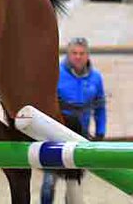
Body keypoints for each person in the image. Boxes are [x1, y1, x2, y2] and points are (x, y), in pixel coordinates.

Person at [40, 37, 106, 204]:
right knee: (49, 182)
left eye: (82, 53)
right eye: (74, 53)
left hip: (80, 136)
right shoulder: (55, 73)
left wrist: (100, 132)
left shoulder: (96, 78)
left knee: (73, 182)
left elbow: (100, 107)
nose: (78, 57)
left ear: (87, 55)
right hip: (54, 134)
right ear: (68, 54)